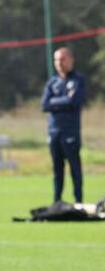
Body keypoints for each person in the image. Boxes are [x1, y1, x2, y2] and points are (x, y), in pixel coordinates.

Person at [42, 47, 86, 205]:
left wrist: (56, 102)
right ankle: (57, 202)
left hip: (71, 131)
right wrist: (63, 101)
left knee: (74, 168)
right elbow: (45, 105)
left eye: (62, 59)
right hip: (54, 131)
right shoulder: (52, 82)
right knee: (57, 169)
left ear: (71, 60)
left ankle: (79, 201)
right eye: (56, 60)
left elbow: (74, 101)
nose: (59, 63)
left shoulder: (78, 80)